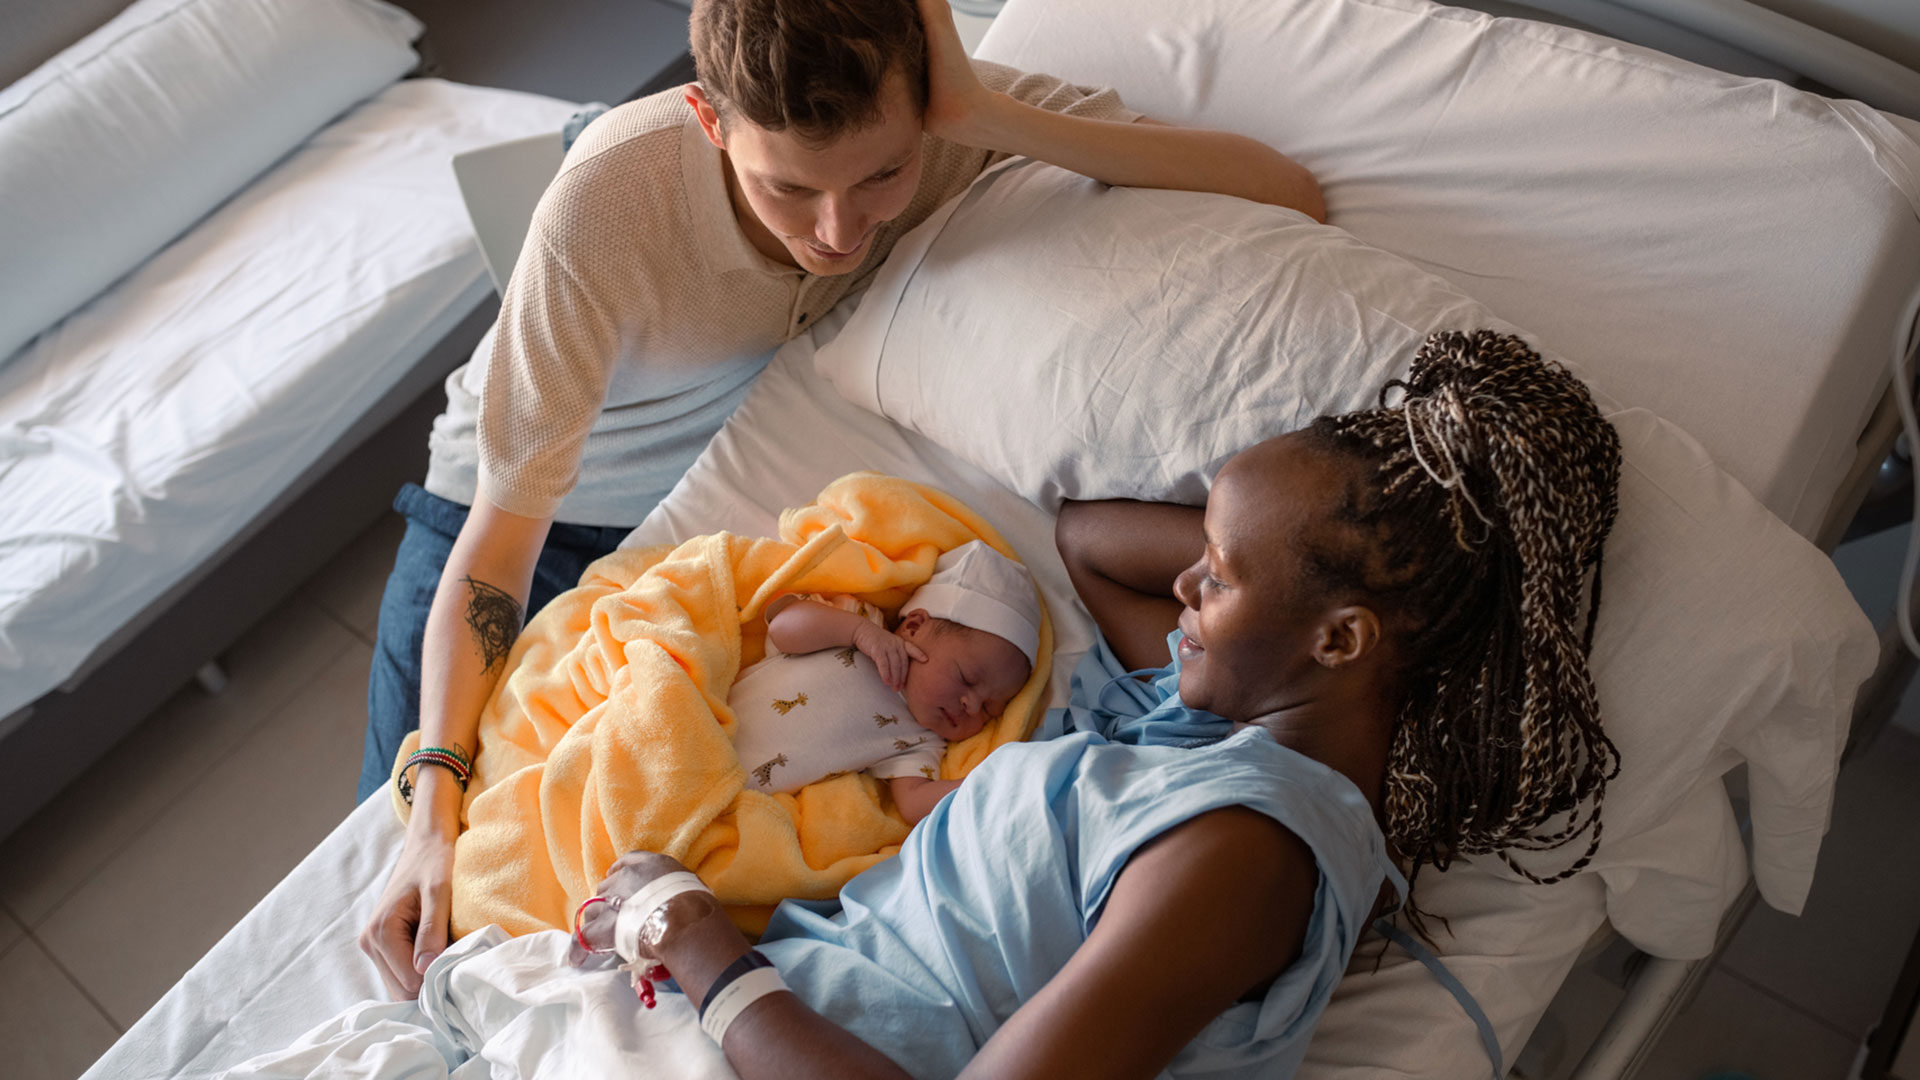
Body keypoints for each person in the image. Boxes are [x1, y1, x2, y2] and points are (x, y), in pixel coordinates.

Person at [358, 0, 1327, 999]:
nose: (838, 230)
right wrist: (432, 814)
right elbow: (496, 549)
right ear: (709, 120)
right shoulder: (607, 204)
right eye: (787, 187)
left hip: (680, 499)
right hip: (512, 518)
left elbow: (1283, 191)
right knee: (416, 902)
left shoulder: (937, 125)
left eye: (880, 178)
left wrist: (976, 113)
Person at [569, 330, 1625, 1078]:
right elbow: (1087, 541)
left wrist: (696, 938)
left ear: (1342, 641)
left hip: (753, 1022)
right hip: (756, 1012)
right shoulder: (1217, 718)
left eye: (1212, 572)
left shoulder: (1242, 852)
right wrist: (1265, 568)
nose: (1183, 591)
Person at [734, 541, 1039, 823]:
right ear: (915, 627)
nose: (971, 705)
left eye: (989, 709)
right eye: (967, 679)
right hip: (712, 723)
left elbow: (913, 803)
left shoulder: (921, 740)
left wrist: (990, 780)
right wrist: (857, 633)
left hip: (737, 797)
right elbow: (782, 627)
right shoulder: (861, 624)